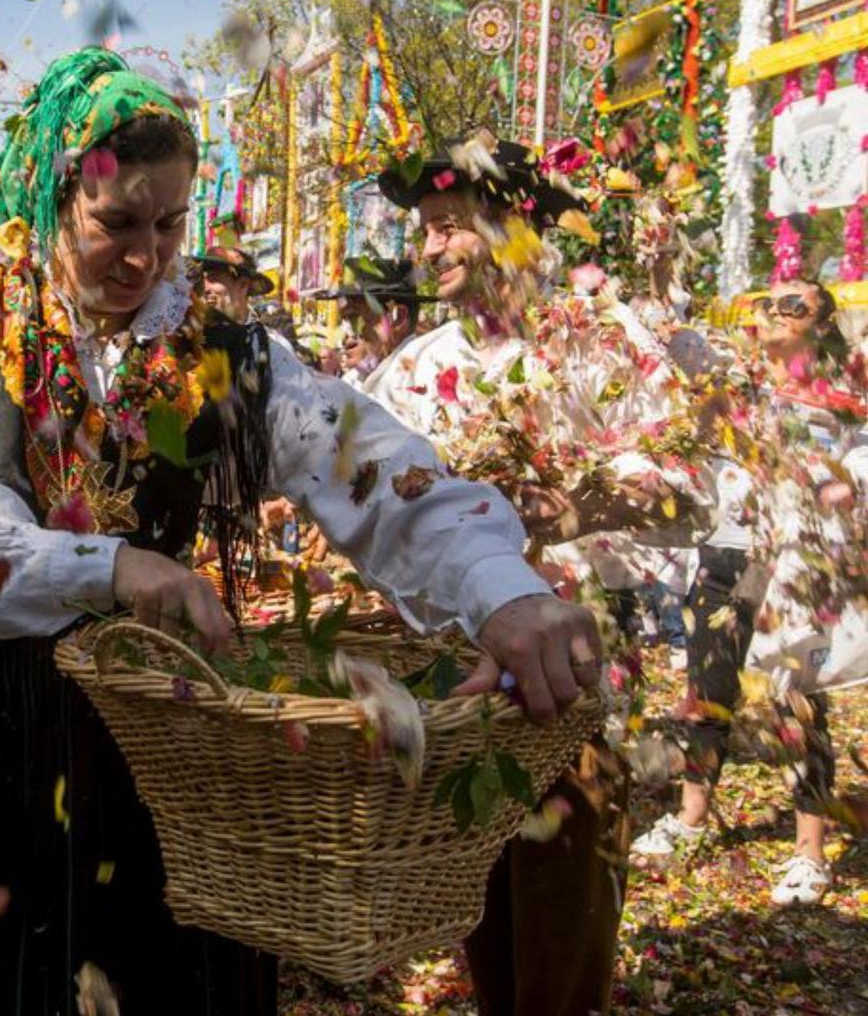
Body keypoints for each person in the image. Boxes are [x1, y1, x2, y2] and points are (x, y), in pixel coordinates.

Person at [0, 50, 601, 1016]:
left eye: (172, 224)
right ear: (56, 200)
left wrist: (498, 587)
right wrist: (107, 567)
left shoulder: (223, 355)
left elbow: (373, 466)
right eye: (118, 223)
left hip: (176, 766)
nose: (147, 256)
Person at [373, 131, 717, 1016]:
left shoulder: (599, 339)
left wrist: (569, 508)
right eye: (424, 230)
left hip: (579, 668)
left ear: (516, 231)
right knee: (481, 893)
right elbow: (365, 498)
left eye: (448, 225)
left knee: (565, 903)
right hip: (460, 671)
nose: (429, 247)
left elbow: (696, 485)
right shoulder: (415, 368)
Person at [633, 277, 868, 906]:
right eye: (768, 302)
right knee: (707, 691)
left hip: (794, 562)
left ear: (821, 327)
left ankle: (810, 852)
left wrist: (846, 483)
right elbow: (664, 336)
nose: (774, 312)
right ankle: (690, 817)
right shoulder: (733, 382)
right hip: (727, 551)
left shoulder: (839, 401)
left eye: (795, 306)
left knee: (799, 705)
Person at [315, 255, 425, 389]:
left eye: (355, 318)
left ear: (398, 318)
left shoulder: (424, 379)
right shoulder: (352, 382)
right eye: (344, 321)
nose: (346, 337)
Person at [191, 243, 273, 323]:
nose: (205, 288)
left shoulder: (260, 335)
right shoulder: (195, 334)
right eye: (203, 280)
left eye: (214, 278)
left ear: (243, 285)